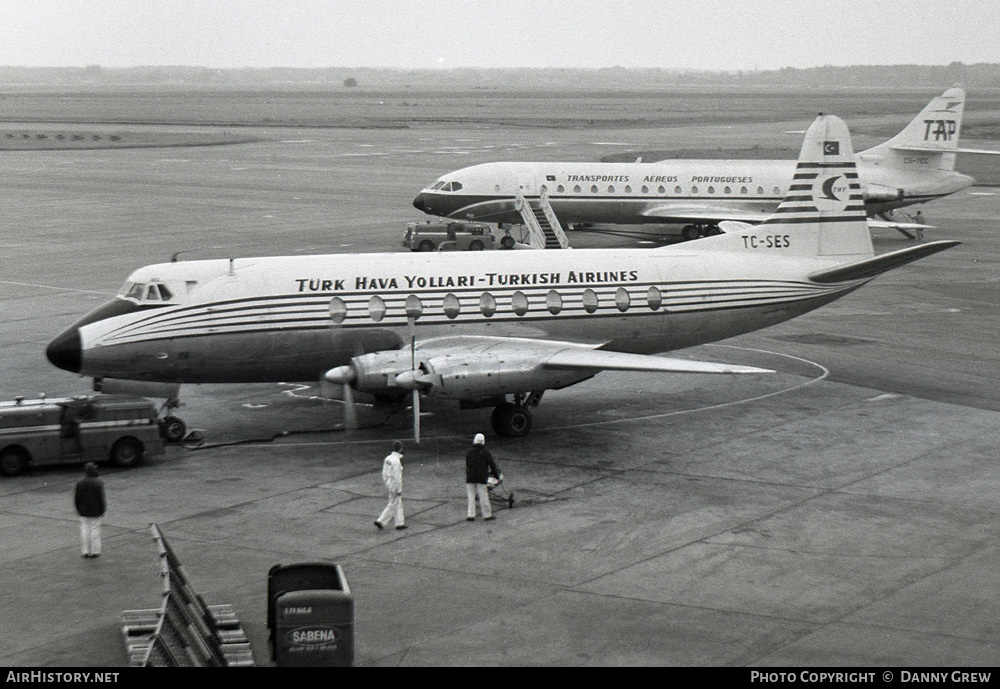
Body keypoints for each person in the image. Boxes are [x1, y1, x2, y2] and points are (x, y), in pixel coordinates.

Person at [465, 433, 501, 521]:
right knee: (483, 496)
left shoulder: (469, 452)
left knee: (471, 496)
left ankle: (471, 515)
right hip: (481, 477)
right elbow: (492, 465)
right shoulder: (486, 453)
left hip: (470, 477)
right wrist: (497, 476)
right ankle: (487, 514)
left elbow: (467, 464)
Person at [74, 462, 106, 558]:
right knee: (95, 530)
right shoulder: (98, 482)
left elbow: (77, 499)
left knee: (85, 530)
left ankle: (85, 551)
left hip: (83, 511)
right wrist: (102, 510)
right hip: (95, 511)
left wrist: (79, 510)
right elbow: (101, 499)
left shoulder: (80, 483)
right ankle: (95, 551)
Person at [375, 440, 406, 530]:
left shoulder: (388, 458)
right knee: (393, 503)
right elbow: (397, 477)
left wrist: (386, 481)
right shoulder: (396, 461)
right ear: (400, 449)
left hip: (389, 482)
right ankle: (380, 521)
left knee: (397, 503)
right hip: (394, 484)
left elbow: (384, 472)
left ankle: (400, 523)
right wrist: (399, 489)